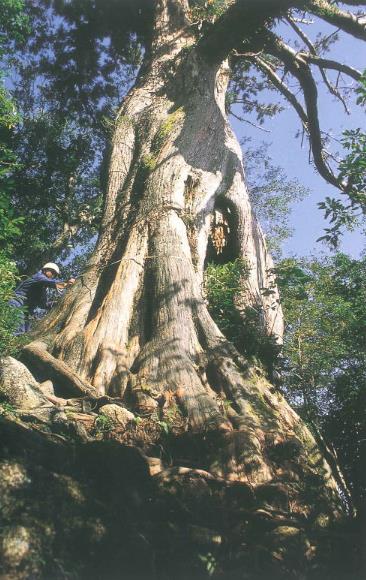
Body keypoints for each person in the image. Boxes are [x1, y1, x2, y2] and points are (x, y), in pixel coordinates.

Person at [9, 262, 75, 334]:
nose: (53, 275)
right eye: (52, 272)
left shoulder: (43, 289)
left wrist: (55, 303)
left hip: (26, 312)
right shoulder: (38, 277)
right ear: (45, 270)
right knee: (17, 331)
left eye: (55, 274)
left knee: (25, 333)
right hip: (17, 304)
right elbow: (50, 282)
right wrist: (66, 284)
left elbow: (42, 304)